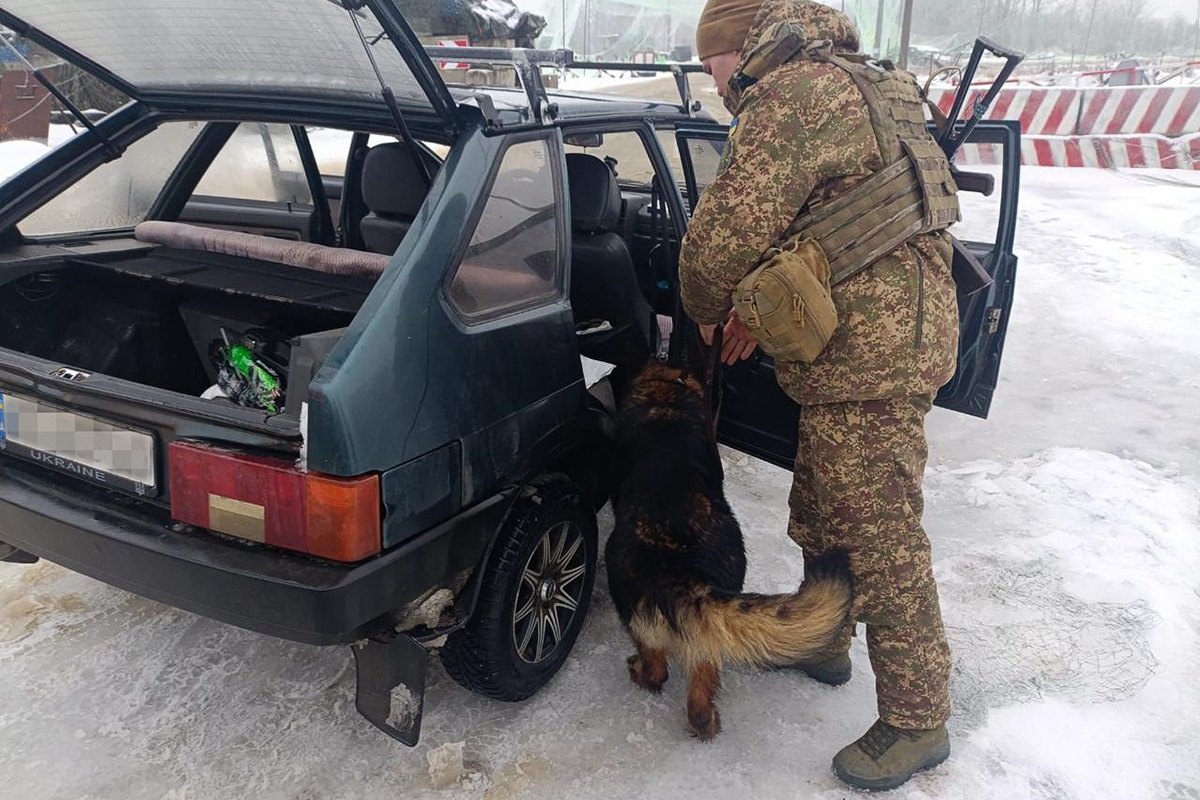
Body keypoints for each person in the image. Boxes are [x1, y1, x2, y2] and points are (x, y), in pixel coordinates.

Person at [679, 0, 962, 791]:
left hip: (874, 351)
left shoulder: (794, 93)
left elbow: (721, 238)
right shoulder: (856, 78)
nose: (715, 84)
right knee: (826, 497)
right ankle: (824, 635)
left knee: (878, 534)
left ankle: (916, 719)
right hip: (877, 334)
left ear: (741, 47)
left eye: (713, 67)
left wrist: (704, 310)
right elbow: (821, 212)